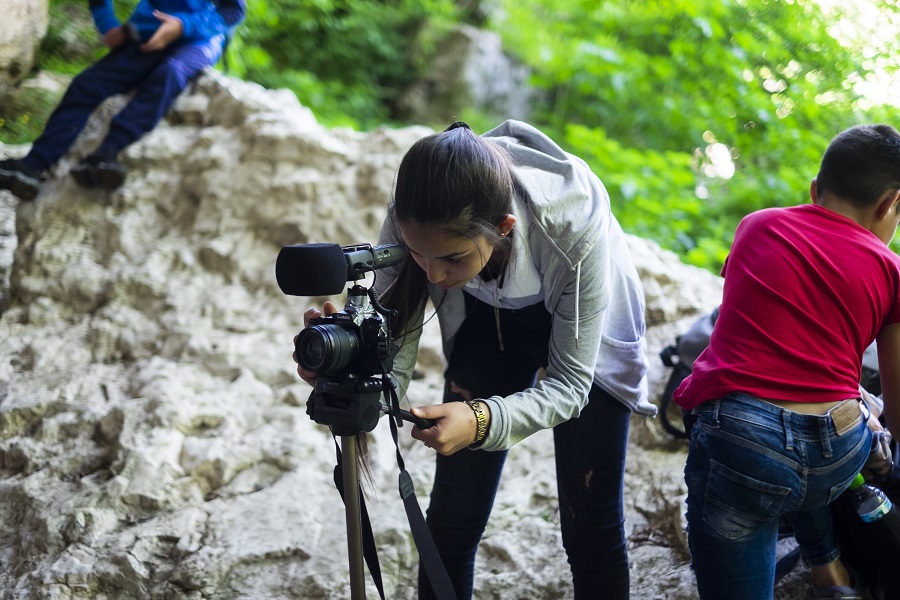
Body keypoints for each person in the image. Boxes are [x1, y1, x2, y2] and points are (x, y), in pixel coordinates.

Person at [296, 120, 654, 599]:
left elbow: (570, 386)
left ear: (503, 228)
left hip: (586, 325)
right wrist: (348, 369)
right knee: (451, 519)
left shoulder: (572, 223)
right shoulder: (416, 211)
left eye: (452, 258)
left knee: (590, 523)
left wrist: (482, 420)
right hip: (489, 319)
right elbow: (391, 347)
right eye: (419, 256)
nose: (435, 274)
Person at [673, 124, 900, 600]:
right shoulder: (892, 270)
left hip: (744, 447)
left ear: (815, 190)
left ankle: (811, 568)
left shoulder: (758, 224)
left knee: (764, 465)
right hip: (838, 454)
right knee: (810, 448)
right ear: (889, 205)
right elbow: (896, 410)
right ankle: (828, 569)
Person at [0, 0, 245, 201]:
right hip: (145, 33)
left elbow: (232, 10)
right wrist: (110, 27)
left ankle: (107, 154)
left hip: (198, 39)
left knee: (169, 73)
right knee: (86, 85)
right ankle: (33, 166)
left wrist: (183, 26)